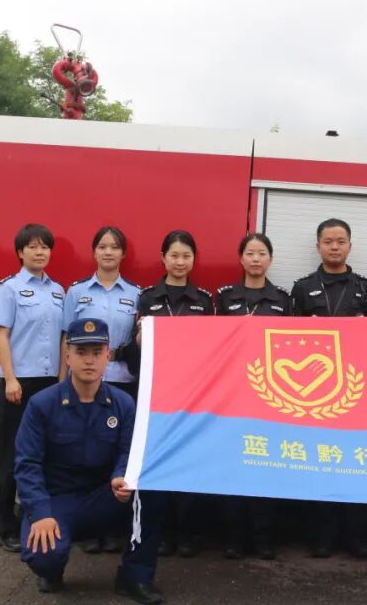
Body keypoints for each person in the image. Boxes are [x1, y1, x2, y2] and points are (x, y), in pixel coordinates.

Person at [15, 318, 164, 604]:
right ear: (67, 356)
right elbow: (27, 464)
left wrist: (121, 475)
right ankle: (52, 569)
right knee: (44, 555)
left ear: (107, 356)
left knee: (152, 491)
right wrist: (40, 513)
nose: (89, 360)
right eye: (81, 352)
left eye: (97, 352)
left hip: (103, 497)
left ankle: (135, 577)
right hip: (56, 500)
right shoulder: (42, 404)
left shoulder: (123, 404)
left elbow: (128, 451)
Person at [290, 217, 367, 558]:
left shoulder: (366, 288)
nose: (335, 247)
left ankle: (356, 536)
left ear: (350, 246)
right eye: (328, 241)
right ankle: (322, 536)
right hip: (314, 392)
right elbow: (289, 341)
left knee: (355, 462)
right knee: (319, 461)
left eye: (341, 241)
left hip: (356, 390)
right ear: (318, 246)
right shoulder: (302, 288)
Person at [63, 225, 141, 554]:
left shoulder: (136, 294)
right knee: (85, 455)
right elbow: (66, 340)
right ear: (94, 252)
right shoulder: (77, 292)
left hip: (121, 382)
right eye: (102, 247)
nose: (108, 252)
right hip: (83, 383)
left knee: (117, 455)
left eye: (114, 247)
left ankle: (112, 528)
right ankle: (88, 529)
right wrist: (62, 384)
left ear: (123, 254)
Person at [136, 230, 213, 558]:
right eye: (174, 255)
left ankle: (187, 533)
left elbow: (211, 348)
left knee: (189, 463)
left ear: (194, 259)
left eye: (186, 256)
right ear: (163, 258)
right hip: (157, 393)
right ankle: (162, 533)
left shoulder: (204, 300)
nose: (180, 262)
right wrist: (141, 337)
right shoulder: (147, 297)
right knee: (159, 463)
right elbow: (137, 345)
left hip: (192, 394)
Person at [216, 233, 291, 560]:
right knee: (234, 464)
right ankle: (233, 538)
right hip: (232, 394)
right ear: (241, 258)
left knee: (265, 465)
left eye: (262, 253)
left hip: (270, 395)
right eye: (250, 253)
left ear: (270, 259)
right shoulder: (224, 297)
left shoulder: (283, 298)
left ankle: (263, 538)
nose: (256, 258)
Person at [0, 223, 65, 552]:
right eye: (33, 247)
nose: (39, 252)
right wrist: (10, 378)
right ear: (20, 252)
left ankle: (33, 520)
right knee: (12, 456)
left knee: (44, 456)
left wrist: (62, 381)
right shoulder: (9, 288)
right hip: (19, 384)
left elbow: (63, 339)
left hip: (49, 383)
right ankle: (4, 526)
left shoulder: (58, 291)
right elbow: (1, 335)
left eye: (45, 247)